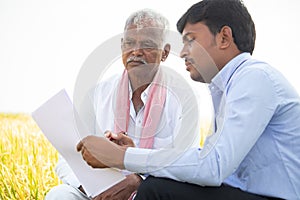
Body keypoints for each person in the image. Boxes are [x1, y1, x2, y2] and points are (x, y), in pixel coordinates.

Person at [77, 0, 300, 199]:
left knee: (155, 190)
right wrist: (135, 157)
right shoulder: (228, 87)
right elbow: (205, 162)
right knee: (160, 185)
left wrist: (123, 156)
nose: (182, 52)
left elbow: (213, 166)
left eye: (191, 40)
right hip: (243, 192)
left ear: (224, 37)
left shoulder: (254, 78)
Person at [45, 8, 199, 200]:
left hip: (151, 191)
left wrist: (139, 179)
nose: (136, 51)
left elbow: (187, 166)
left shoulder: (183, 99)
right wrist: (91, 189)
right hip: (98, 191)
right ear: (121, 47)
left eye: (147, 44)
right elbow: (67, 159)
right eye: (129, 43)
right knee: (59, 195)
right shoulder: (97, 94)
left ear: (165, 52)